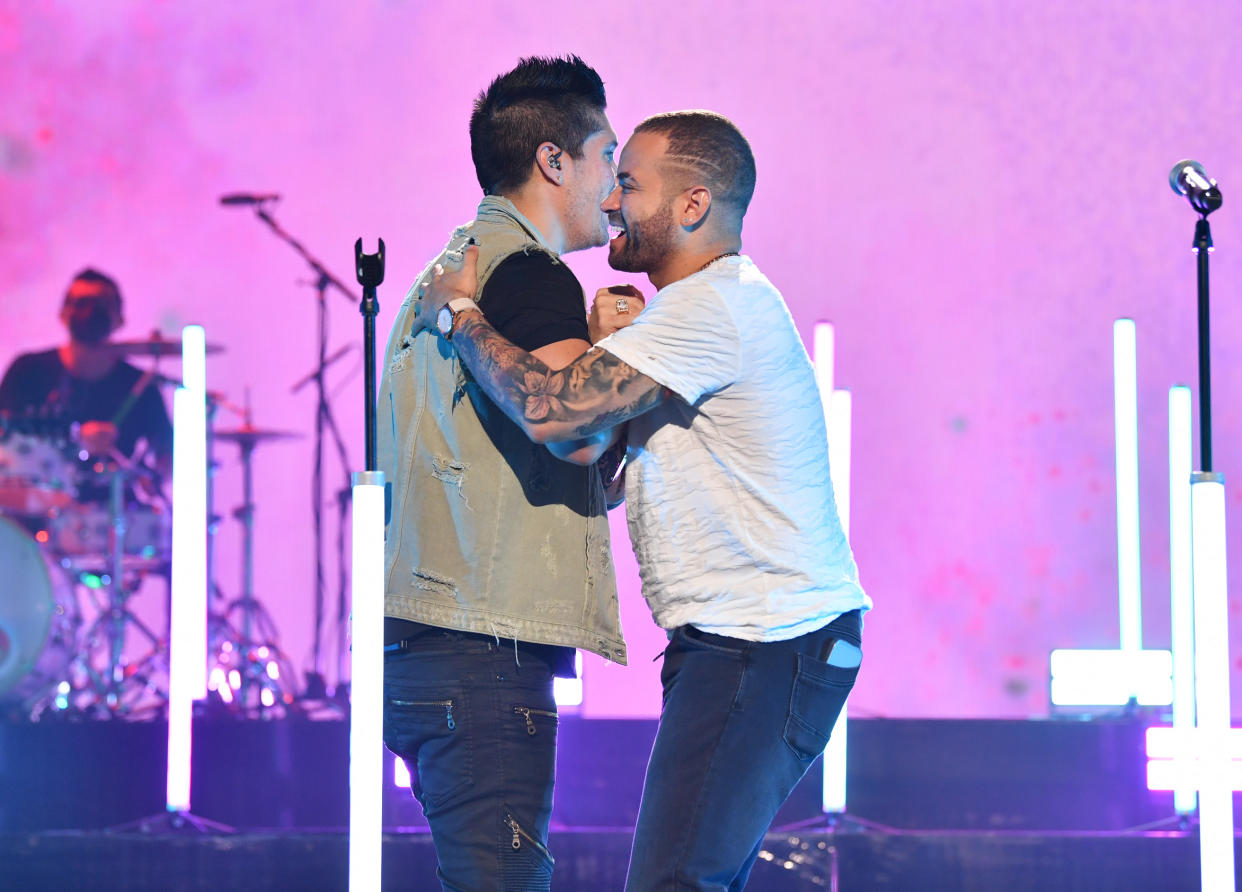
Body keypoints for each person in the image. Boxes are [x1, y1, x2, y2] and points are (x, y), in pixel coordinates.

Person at [418, 110, 872, 891]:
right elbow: (608, 468)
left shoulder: (711, 308)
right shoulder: (694, 310)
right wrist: (604, 352)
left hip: (763, 648)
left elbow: (552, 410)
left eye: (630, 183)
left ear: (692, 205)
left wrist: (461, 315)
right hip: (746, 647)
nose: (614, 201)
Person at [377, 55, 627, 891]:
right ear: (553, 160)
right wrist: (614, 355)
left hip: (430, 645)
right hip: (482, 653)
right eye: (607, 158)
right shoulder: (523, 273)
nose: (617, 189)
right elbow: (577, 433)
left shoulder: (450, 270)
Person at [0, 268, 173, 498]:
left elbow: (167, 454)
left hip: (116, 514)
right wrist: (76, 441)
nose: (90, 312)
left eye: (101, 304)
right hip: (34, 510)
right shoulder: (28, 371)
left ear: (120, 318)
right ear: (63, 314)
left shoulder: (141, 385)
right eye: (81, 303)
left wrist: (155, 476)